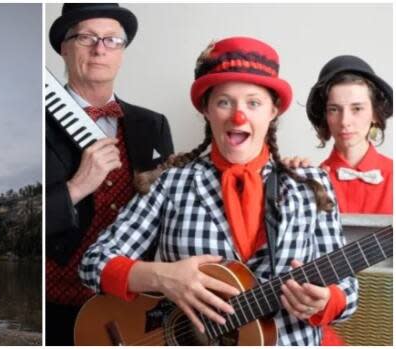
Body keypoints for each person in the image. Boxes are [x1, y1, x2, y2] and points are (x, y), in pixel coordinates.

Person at [80, 37, 358, 346]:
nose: (238, 116)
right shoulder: (172, 183)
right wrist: (163, 277)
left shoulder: (311, 183)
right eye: (224, 102)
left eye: (253, 103)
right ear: (206, 110)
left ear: (273, 111)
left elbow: (347, 291)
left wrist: (325, 301)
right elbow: (94, 263)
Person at [46, 3, 174, 345]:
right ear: (64, 47)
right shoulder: (33, 118)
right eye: (86, 37)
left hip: (131, 308)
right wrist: (76, 187)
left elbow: (167, 212)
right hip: (54, 308)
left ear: (122, 52)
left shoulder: (153, 125)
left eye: (112, 39)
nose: (100, 48)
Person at [306, 55, 393, 214]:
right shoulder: (311, 183)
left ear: (375, 113)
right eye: (334, 109)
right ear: (325, 116)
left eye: (357, 108)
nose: (345, 121)